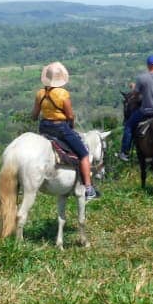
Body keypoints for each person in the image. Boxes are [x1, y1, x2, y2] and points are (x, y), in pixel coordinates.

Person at [32, 61, 99, 201]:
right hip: (60, 128)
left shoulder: (40, 93)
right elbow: (69, 115)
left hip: (44, 127)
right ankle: (88, 188)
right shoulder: (63, 94)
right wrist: (71, 124)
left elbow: (34, 115)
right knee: (84, 154)